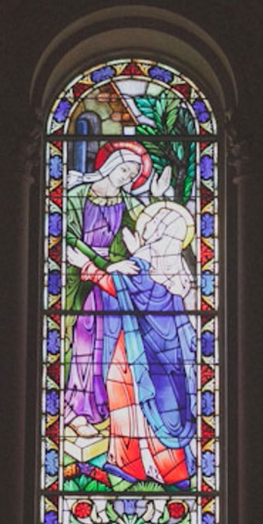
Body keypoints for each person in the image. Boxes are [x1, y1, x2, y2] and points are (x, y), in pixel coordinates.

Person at [67, 200, 197, 486]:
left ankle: (131, 465)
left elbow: (119, 287)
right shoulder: (176, 273)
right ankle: (170, 470)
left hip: (132, 353)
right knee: (164, 407)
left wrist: (86, 266)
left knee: (128, 404)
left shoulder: (141, 265)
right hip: (169, 357)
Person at [62, 142, 171, 441]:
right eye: (124, 170)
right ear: (109, 165)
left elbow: (148, 230)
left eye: (133, 175)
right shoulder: (77, 195)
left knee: (107, 346)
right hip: (80, 278)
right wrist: (104, 265)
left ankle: (104, 409)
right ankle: (76, 411)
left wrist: (156, 197)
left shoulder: (128, 202)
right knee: (83, 343)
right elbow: (68, 237)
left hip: (112, 286)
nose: (127, 177)